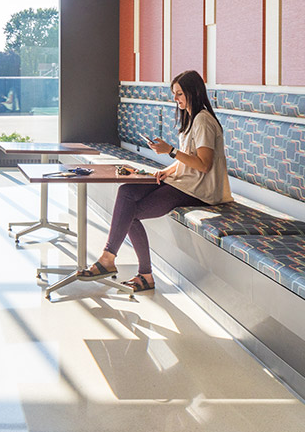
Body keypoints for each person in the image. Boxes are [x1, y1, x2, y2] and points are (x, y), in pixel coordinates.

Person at [77, 69, 231, 292]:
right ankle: (121, 264)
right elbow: (189, 157)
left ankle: (119, 264)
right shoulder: (192, 119)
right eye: (174, 94)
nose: (175, 99)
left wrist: (170, 151)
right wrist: (167, 171)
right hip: (184, 182)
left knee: (130, 212)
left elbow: (204, 164)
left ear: (193, 92)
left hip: (199, 191)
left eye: (179, 94)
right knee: (126, 191)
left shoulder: (203, 121)